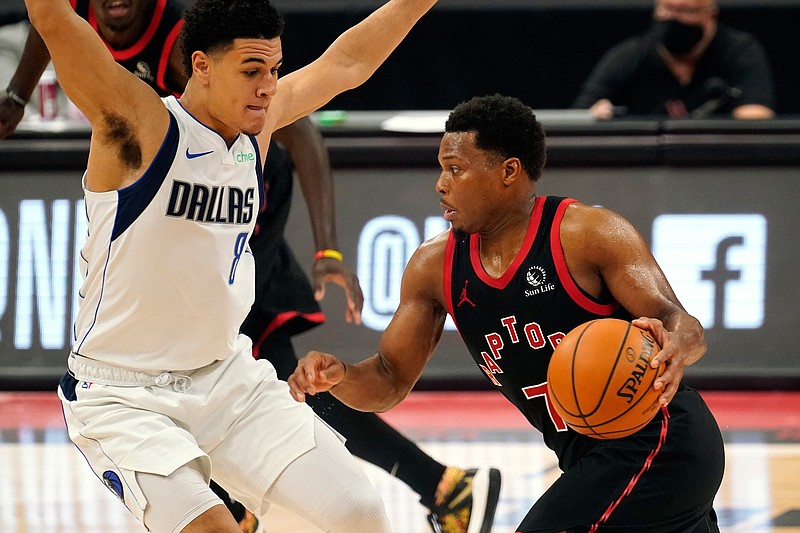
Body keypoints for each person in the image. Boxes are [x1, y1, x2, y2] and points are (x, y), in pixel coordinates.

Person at [3, 1, 502, 531]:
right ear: (200, 65)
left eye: (275, 70)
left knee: (359, 515)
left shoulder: (255, 133)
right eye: (251, 71)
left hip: (228, 378)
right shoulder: (140, 124)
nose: (268, 86)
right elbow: (55, 20)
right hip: (125, 395)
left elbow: (348, 63)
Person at [289, 94, 726, 532]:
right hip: (587, 461)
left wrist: (679, 344)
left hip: (661, 442)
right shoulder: (434, 267)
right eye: (441, 168)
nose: (440, 184)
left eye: (455, 169)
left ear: (508, 172)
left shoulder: (586, 233)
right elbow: (388, 380)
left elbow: (678, 321)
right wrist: (340, 376)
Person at [572, 0, 775, 120]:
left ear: (710, 14)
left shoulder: (740, 50)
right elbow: (582, 115)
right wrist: (596, 115)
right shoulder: (630, 55)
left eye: (686, 10)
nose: (674, 19)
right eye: (667, 9)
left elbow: (755, 117)